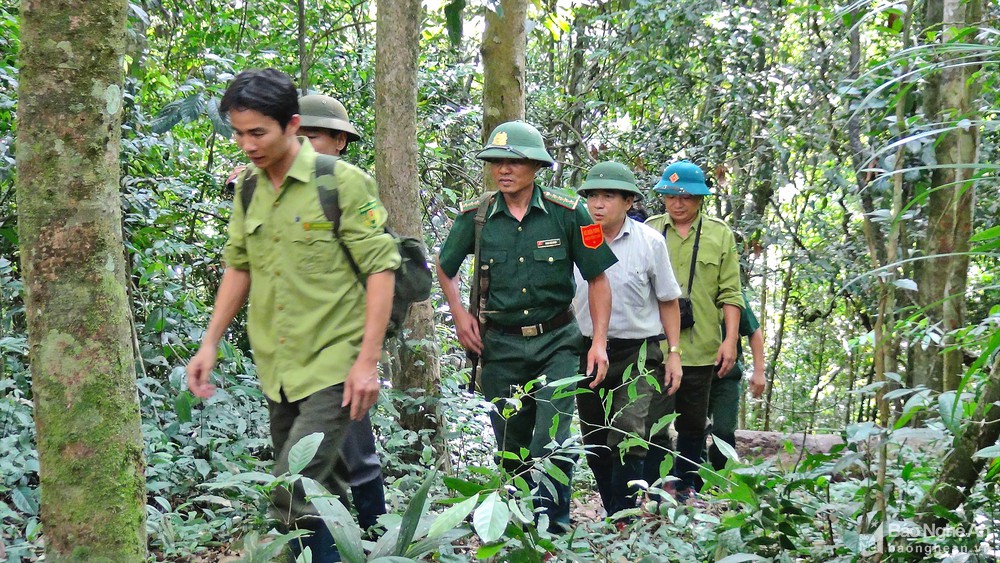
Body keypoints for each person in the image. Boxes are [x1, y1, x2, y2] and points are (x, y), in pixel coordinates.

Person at [186, 69, 400, 562]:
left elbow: (381, 269)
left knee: (291, 488)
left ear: (292, 125)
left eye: (257, 132)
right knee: (323, 494)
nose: (246, 144)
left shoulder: (341, 183)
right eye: (238, 133)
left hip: (334, 365)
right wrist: (210, 342)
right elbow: (238, 265)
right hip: (279, 366)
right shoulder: (249, 190)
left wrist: (368, 360)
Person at [436, 121, 616, 531]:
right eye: (497, 161)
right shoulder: (476, 217)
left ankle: (553, 526)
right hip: (498, 346)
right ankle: (515, 527)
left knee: (551, 438)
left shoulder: (570, 212)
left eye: (513, 162)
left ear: (535, 166)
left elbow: (598, 279)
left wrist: (599, 342)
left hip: (557, 342)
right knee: (509, 443)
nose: (503, 169)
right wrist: (461, 318)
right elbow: (445, 269)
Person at [571, 161, 683, 517]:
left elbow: (668, 300)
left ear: (629, 201)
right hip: (585, 349)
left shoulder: (650, 242)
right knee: (594, 439)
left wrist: (675, 352)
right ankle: (614, 510)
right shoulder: (576, 239)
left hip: (638, 351)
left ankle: (625, 514)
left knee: (629, 432)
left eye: (608, 196)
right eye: (592, 196)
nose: (598, 204)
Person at [296, 93, 387, 532]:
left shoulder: (352, 190)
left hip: (342, 340)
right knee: (306, 456)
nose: (304, 145)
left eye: (313, 136)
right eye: (297, 136)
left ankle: (376, 537)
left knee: (356, 449)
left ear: (339, 142)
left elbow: (379, 271)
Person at [643, 160, 743, 499]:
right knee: (654, 422)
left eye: (686, 196)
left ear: (700, 199)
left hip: (702, 347)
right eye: (671, 196)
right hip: (656, 346)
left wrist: (730, 340)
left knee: (692, 424)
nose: (678, 203)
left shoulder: (719, 234)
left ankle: (687, 486)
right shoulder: (651, 230)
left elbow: (731, 292)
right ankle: (655, 488)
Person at [705, 291, 765, 470]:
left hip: (726, 376)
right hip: (694, 373)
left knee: (724, 429)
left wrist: (759, 371)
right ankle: (694, 480)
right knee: (693, 428)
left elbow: (754, 331)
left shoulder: (733, 294)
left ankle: (722, 476)